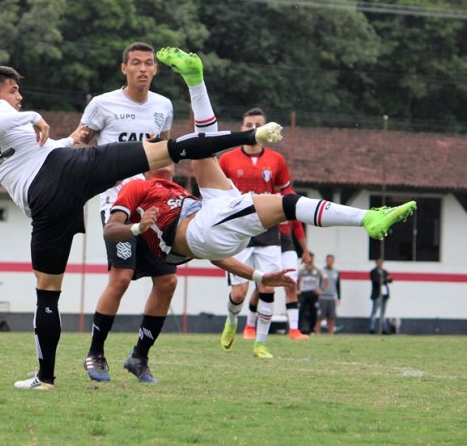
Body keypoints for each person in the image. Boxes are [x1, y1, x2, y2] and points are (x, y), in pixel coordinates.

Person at [0, 62, 289, 390]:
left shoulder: (0, 131)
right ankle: (249, 136)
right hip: (66, 172)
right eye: (14, 91)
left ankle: (45, 377)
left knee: (47, 293)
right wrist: (34, 116)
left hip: (46, 203)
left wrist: (70, 139)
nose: (20, 97)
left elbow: (36, 150)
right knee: (169, 150)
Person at [150, 48, 416, 355]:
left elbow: (208, 250)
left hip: (218, 220)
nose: (167, 168)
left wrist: (284, 256)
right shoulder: (146, 190)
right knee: (282, 207)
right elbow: (205, 249)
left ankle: (195, 80)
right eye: (249, 126)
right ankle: (367, 218)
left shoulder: (274, 160)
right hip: (216, 226)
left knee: (202, 153)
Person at [77, 41, 176, 384]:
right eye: (136, 63)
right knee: (120, 278)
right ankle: (95, 354)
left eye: (149, 63)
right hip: (117, 205)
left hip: (151, 206)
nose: (143, 69)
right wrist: (95, 171)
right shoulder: (102, 104)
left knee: (167, 280)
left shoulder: (163, 106)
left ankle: (139, 357)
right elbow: (79, 145)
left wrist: (168, 189)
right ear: (124, 68)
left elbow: (163, 157)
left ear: (155, 69)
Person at [216, 106, 293, 358]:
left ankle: (260, 344)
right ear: (242, 128)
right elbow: (216, 193)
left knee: (268, 287)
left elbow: (286, 192)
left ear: (266, 129)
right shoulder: (226, 159)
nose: (253, 129)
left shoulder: (277, 160)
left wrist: (290, 214)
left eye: (258, 124)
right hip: (237, 231)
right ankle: (231, 321)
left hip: (268, 231)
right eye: (249, 125)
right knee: (239, 292)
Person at [278, 216, 310, 339]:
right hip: (266, 247)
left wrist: (305, 250)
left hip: (287, 248)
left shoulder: (288, 196)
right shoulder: (260, 196)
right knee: (263, 288)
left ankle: (294, 329)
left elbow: (297, 225)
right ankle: (251, 326)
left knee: (291, 286)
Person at [297, 252, 326, 334]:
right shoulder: (302, 270)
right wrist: (297, 290)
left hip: (313, 293)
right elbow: (297, 280)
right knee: (301, 311)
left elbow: (325, 280)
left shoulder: (317, 270)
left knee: (313, 311)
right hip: (303, 293)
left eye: (312, 258)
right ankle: (299, 329)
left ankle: (312, 330)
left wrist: (321, 289)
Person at [316, 253, 341, 335]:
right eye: (328, 260)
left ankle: (331, 333)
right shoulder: (322, 271)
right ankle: (317, 332)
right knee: (320, 316)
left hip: (332, 297)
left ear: (333, 261)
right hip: (323, 297)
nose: (330, 262)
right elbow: (318, 283)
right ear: (326, 261)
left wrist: (339, 298)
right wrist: (319, 291)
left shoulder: (336, 272)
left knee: (331, 317)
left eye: (331, 260)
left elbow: (338, 286)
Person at [369, 258, 392, 334]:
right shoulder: (373, 272)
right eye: (379, 262)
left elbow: (390, 279)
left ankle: (384, 329)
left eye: (381, 262)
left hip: (384, 294)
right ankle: (372, 328)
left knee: (383, 313)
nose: (380, 264)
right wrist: (385, 279)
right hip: (377, 294)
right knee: (374, 312)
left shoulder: (384, 271)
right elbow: (377, 281)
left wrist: (383, 279)